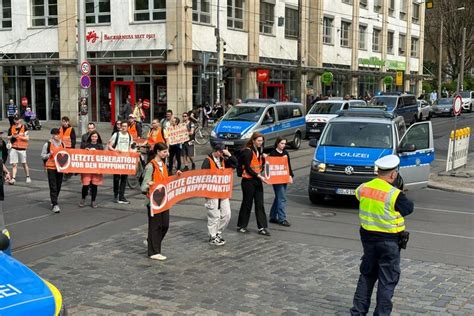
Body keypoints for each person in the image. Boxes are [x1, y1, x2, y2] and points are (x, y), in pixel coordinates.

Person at [350, 155, 414, 315]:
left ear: (378, 171)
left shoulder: (364, 187)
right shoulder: (394, 194)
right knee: (387, 281)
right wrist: (399, 190)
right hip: (389, 242)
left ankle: (357, 312)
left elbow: (358, 196)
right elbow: (408, 208)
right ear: (393, 175)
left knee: (366, 276)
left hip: (368, 241)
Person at [141, 142, 182, 261]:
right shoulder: (150, 166)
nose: (167, 154)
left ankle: (151, 242)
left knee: (165, 225)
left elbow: (166, 180)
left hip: (163, 200)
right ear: (158, 152)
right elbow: (143, 186)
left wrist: (176, 176)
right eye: (164, 152)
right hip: (153, 202)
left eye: (167, 151)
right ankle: (153, 251)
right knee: (155, 226)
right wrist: (149, 185)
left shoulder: (163, 164)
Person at [202, 143, 237, 246]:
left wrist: (229, 155)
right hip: (212, 192)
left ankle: (218, 232)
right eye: (221, 152)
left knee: (226, 214)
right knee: (214, 215)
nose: (222, 154)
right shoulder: (207, 160)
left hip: (222, 191)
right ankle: (212, 236)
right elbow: (203, 176)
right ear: (216, 151)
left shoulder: (223, 159)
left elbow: (235, 164)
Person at [236, 132, 270, 236]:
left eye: (262, 141)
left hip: (257, 179)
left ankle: (262, 227)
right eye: (259, 141)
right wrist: (259, 176)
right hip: (248, 181)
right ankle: (242, 226)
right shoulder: (247, 152)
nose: (261, 142)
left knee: (260, 203)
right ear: (253, 141)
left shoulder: (259, 150)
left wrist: (264, 159)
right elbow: (247, 167)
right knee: (247, 203)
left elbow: (260, 165)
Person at [268, 137, 294, 227]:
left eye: (284, 144)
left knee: (278, 197)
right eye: (282, 143)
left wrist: (290, 175)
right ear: (277, 143)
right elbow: (270, 165)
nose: (283, 145)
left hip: (284, 177)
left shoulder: (286, 153)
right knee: (282, 198)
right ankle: (282, 218)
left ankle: (272, 216)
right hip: (276, 179)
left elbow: (288, 165)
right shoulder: (273, 153)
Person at [41, 128, 65, 213]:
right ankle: (55, 204)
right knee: (53, 186)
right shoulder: (47, 144)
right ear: (52, 135)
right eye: (56, 134)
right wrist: (49, 154)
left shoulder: (62, 143)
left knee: (58, 186)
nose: (58, 136)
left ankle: (53, 200)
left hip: (60, 168)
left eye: (58, 134)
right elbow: (42, 156)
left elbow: (65, 155)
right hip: (51, 167)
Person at [108, 121, 133, 204]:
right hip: (117, 159)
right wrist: (115, 150)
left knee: (124, 179)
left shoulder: (130, 136)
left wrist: (132, 153)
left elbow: (130, 147)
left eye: (125, 126)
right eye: (122, 126)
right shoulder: (116, 134)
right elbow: (109, 146)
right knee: (116, 178)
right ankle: (116, 194)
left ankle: (121, 196)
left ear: (128, 127)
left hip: (125, 160)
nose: (123, 127)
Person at [79, 131, 103, 208]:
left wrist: (98, 152)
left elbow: (104, 156)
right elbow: (80, 155)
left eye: (95, 137)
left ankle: (93, 201)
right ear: (90, 137)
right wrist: (85, 150)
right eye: (92, 136)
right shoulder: (85, 145)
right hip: (87, 168)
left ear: (98, 138)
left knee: (94, 185)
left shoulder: (100, 146)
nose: (94, 138)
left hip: (96, 168)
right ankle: (83, 198)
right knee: (85, 184)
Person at [7, 116, 31, 184]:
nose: (16, 121)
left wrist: (19, 136)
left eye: (17, 119)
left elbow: (27, 138)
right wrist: (12, 136)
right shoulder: (12, 127)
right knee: (14, 164)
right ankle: (13, 178)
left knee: (24, 163)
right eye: (15, 120)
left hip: (22, 148)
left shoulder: (24, 127)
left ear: (20, 120)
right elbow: (8, 137)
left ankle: (28, 176)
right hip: (14, 148)